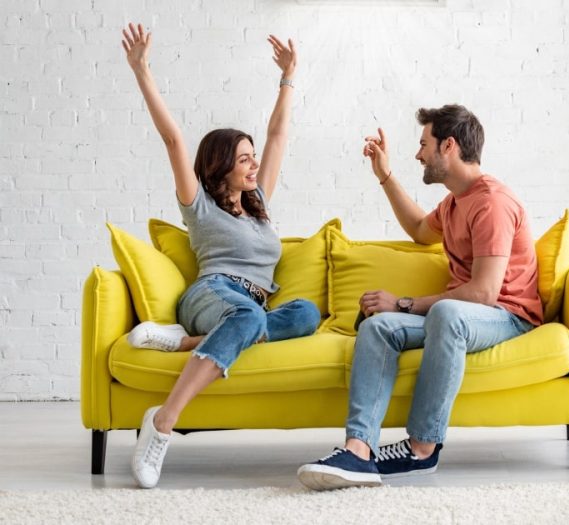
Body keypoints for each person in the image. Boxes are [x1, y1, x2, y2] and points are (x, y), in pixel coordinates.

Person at [297, 105, 542, 490]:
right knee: (379, 326)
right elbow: (417, 229)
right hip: (462, 315)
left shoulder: (491, 202)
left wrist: (405, 303)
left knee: (446, 312)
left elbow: (484, 292)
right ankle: (358, 451)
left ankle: (422, 448)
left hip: (506, 315)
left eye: (423, 144)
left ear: (449, 145)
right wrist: (385, 175)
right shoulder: (455, 202)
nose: (418, 154)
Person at [120, 22, 320, 489]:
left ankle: (183, 342)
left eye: (253, 157)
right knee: (249, 319)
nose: (254, 164)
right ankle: (164, 422)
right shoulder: (201, 208)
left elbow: (277, 136)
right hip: (213, 294)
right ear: (220, 166)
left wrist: (289, 77)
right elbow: (174, 140)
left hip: (251, 307)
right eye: (244, 158)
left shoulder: (259, 204)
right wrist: (142, 71)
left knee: (307, 313)